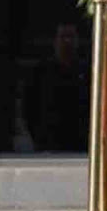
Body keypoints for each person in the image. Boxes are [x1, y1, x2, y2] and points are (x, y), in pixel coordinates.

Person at [23, 23, 89, 152]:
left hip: (80, 141)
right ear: (55, 41)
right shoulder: (41, 71)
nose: (67, 41)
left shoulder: (86, 71)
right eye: (63, 37)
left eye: (71, 37)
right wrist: (37, 136)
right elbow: (29, 106)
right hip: (49, 141)